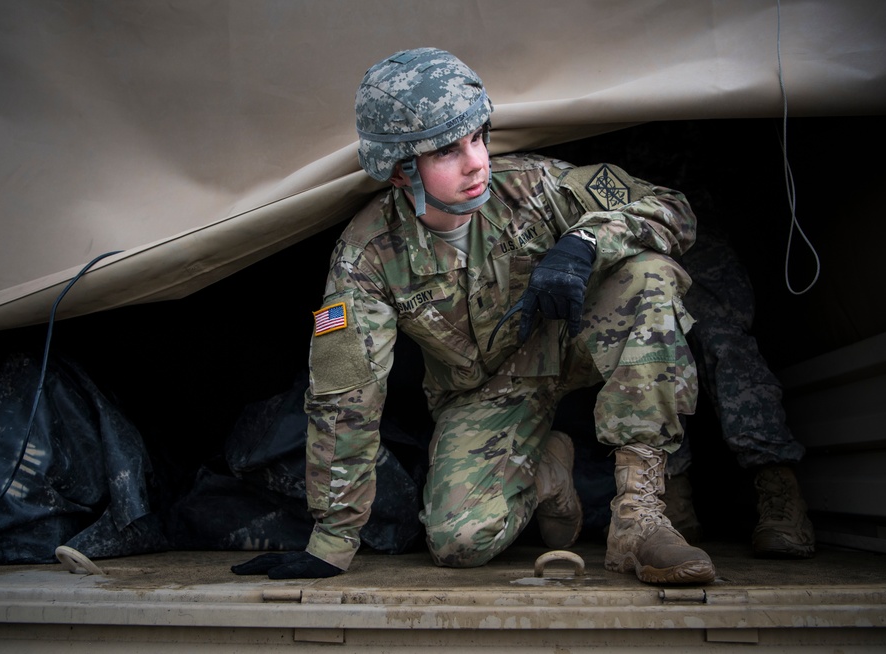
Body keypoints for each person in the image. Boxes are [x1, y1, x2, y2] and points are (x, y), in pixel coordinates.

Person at [232, 47, 714, 585]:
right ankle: (548, 473)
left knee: (649, 274)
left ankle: (640, 516)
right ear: (398, 171)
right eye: (446, 151)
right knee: (459, 542)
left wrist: (584, 242)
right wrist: (333, 541)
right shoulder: (365, 257)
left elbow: (672, 208)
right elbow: (345, 394)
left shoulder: (534, 185)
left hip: (575, 343)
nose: (476, 161)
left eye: (478, 137)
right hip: (484, 393)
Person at [662, 220, 815, 558]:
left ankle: (779, 491)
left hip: (694, 220)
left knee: (725, 341)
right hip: (627, 222)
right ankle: (669, 499)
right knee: (655, 351)